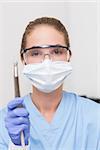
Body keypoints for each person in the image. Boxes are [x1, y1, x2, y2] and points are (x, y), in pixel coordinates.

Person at [0, 17, 100, 150]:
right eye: (36, 53)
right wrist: (16, 147)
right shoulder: (5, 123)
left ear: (68, 56)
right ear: (23, 59)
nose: (47, 62)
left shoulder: (95, 116)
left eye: (57, 51)